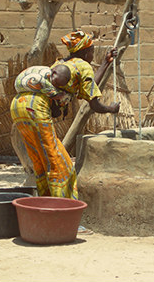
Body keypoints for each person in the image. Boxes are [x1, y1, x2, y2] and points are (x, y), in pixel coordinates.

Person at [10, 30, 120, 202]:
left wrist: (105, 64)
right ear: (85, 52)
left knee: (40, 160)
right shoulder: (83, 66)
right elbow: (93, 103)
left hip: (19, 106)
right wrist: (110, 109)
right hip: (36, 107)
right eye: (92, 51)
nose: (92, 54)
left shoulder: (59, 63)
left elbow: (87, 87)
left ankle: (44, 205)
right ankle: (64, 209)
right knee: (61, 164)